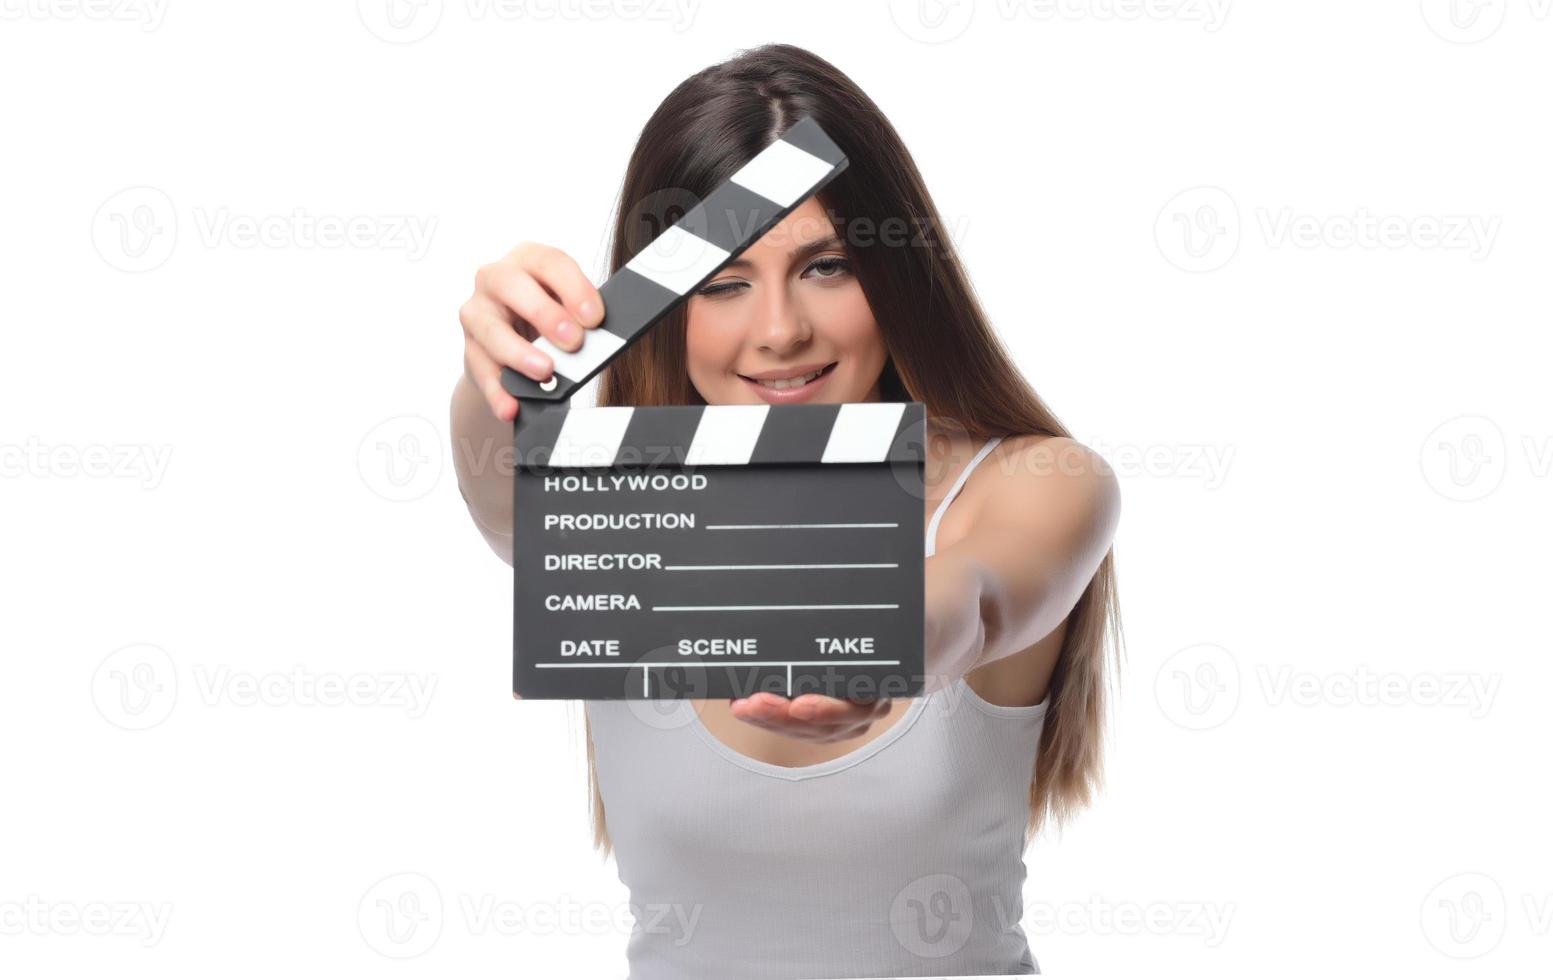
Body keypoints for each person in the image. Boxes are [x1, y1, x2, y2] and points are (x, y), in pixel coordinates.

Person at [451, 43, 1121, 979]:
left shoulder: (1039, 480)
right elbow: (501, 491)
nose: (777, 331)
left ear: (897, 276)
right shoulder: (612, 512)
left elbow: (975, 596)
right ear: (664, 302)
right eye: (722, 283)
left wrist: (878, 636)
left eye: (828, 267)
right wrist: (502, 362)